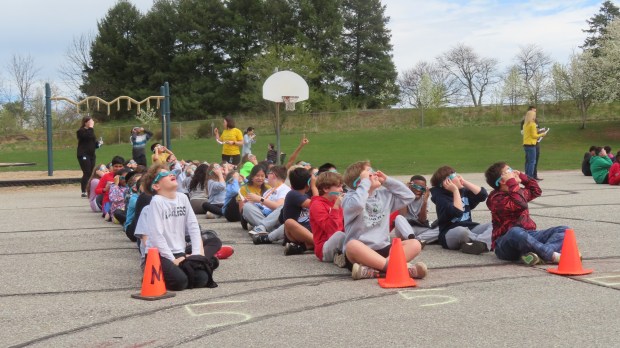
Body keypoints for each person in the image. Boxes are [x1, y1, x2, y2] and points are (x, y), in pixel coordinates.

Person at [137, 164, 220, 291]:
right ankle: (153, 275)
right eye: (164, 174)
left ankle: (181, 268)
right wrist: (173, 259)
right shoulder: (157, 201)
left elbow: (193, 226)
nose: (171, 174)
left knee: (202, 279)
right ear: (156, 186)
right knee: (180, 283)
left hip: (179, 251)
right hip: (160, 254)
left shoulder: (182, 198)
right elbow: (156, 235)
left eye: (171, 172)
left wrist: (197, 255)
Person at [341, 161, 426, 280]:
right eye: (370, 173)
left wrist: (387, 181)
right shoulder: (349, 198)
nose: (375, 173)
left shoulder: (384, 195)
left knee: (415, 244)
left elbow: (409, 196)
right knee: (351, 245)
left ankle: (374, 271)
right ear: (360, 182)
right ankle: (399, 269)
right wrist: (365, 183)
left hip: (384, 249)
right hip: (361, 252)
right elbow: (358, 205)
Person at [485, 162, 567, 265]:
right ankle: (551, 255)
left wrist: (523, 177)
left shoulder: (518, 192)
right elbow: (521, 204)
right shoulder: (495, 199)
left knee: (565, 230)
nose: (514, 172)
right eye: (509, 171)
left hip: (528, 235)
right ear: (502, 180)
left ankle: (538, 254)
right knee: (515, 232)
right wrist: (512, 182)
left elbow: (536, 190)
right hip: (505, 243)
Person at [430, 166, 492, 254]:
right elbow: (457, 212)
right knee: (461, 231)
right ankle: (484, 241)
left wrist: (465, 182)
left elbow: (483, 195)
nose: (458, 177)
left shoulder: (463, 191)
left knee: (495, 224)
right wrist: (455, 190)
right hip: (450, 233)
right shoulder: (441, 198)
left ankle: (480, 243)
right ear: (447, 182)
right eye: (454, 175)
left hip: (470, 228)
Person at [309, 171, 346, 266]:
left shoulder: (336, 202)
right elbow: (331, 229)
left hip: (340, 243)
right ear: (326, 189)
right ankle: (343, 256)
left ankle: (345, 256)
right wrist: (336, 206)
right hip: (324, 248)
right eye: (338, 187)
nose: (341, 190)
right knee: (340, 235)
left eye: (342, 186)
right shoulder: (317, 205)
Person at [244, 165, 291, 235]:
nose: (266, 176)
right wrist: (252, 201)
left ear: (273, 175)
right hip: (265, 216)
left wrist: (260, 199)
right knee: (247, 206)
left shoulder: (284, 189)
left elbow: (279, 207)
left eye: (268, 174)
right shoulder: (270, 190)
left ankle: (263, 227)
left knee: (282, 208)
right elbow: (262, 205)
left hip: (275, 218)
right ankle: (268, 229)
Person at [393, 175, 439, 244]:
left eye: (422, 188)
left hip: (417, 227)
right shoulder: (403, 196)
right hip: (404, 228)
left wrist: (425, 201)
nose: (418, 190)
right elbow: (403, 215)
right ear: (410, 186)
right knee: (399, 218)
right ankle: (414, 239)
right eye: (415, 187)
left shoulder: (425, 199)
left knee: (441, 229)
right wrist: (405, 194)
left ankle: (415, 240)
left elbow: (422, 220)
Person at [238, 164, 270, 230]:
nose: (260, 178)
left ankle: (263, 226)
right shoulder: (244, 188)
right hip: (252, 213)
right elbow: (242, 209)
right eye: (257, 176)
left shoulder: (268, 187)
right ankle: (265, 226)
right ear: (252, 176)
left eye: (262, 176)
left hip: (266, 213)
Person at [77, 116, 102, 197]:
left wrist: (98, 144)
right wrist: (90, 128)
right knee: (87, 172)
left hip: (91, 154)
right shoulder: (81, 131)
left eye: (92, 122)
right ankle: (83, 191)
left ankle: (90, 189)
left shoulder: (91, 132)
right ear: (85, 122)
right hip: (83, 154)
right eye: (90, 122)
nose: (92, 123)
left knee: (91, 172)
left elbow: (92, 142)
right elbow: (87, 136)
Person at [95, 156, 126, 220]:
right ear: (112, 166)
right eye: (116, 166)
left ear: (124, 167)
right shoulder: (106, 176)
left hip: (122, 202)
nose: (118, 168)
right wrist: (105, 189)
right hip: (108, 202)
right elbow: (97, 190)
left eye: (120, 166)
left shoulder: (126, 176)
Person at [522, 109, 547, 178]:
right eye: (534, 116)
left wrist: (538, 131)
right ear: (532, 116)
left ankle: (526, 176)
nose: (535, 117)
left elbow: (530, 134)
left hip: (526, 144)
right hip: (531, 144)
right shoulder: (532, 124)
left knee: (528, 161)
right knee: (532, 162)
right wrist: (542, 134)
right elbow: (534, 136)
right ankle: (530, 177)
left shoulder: (525, 124)